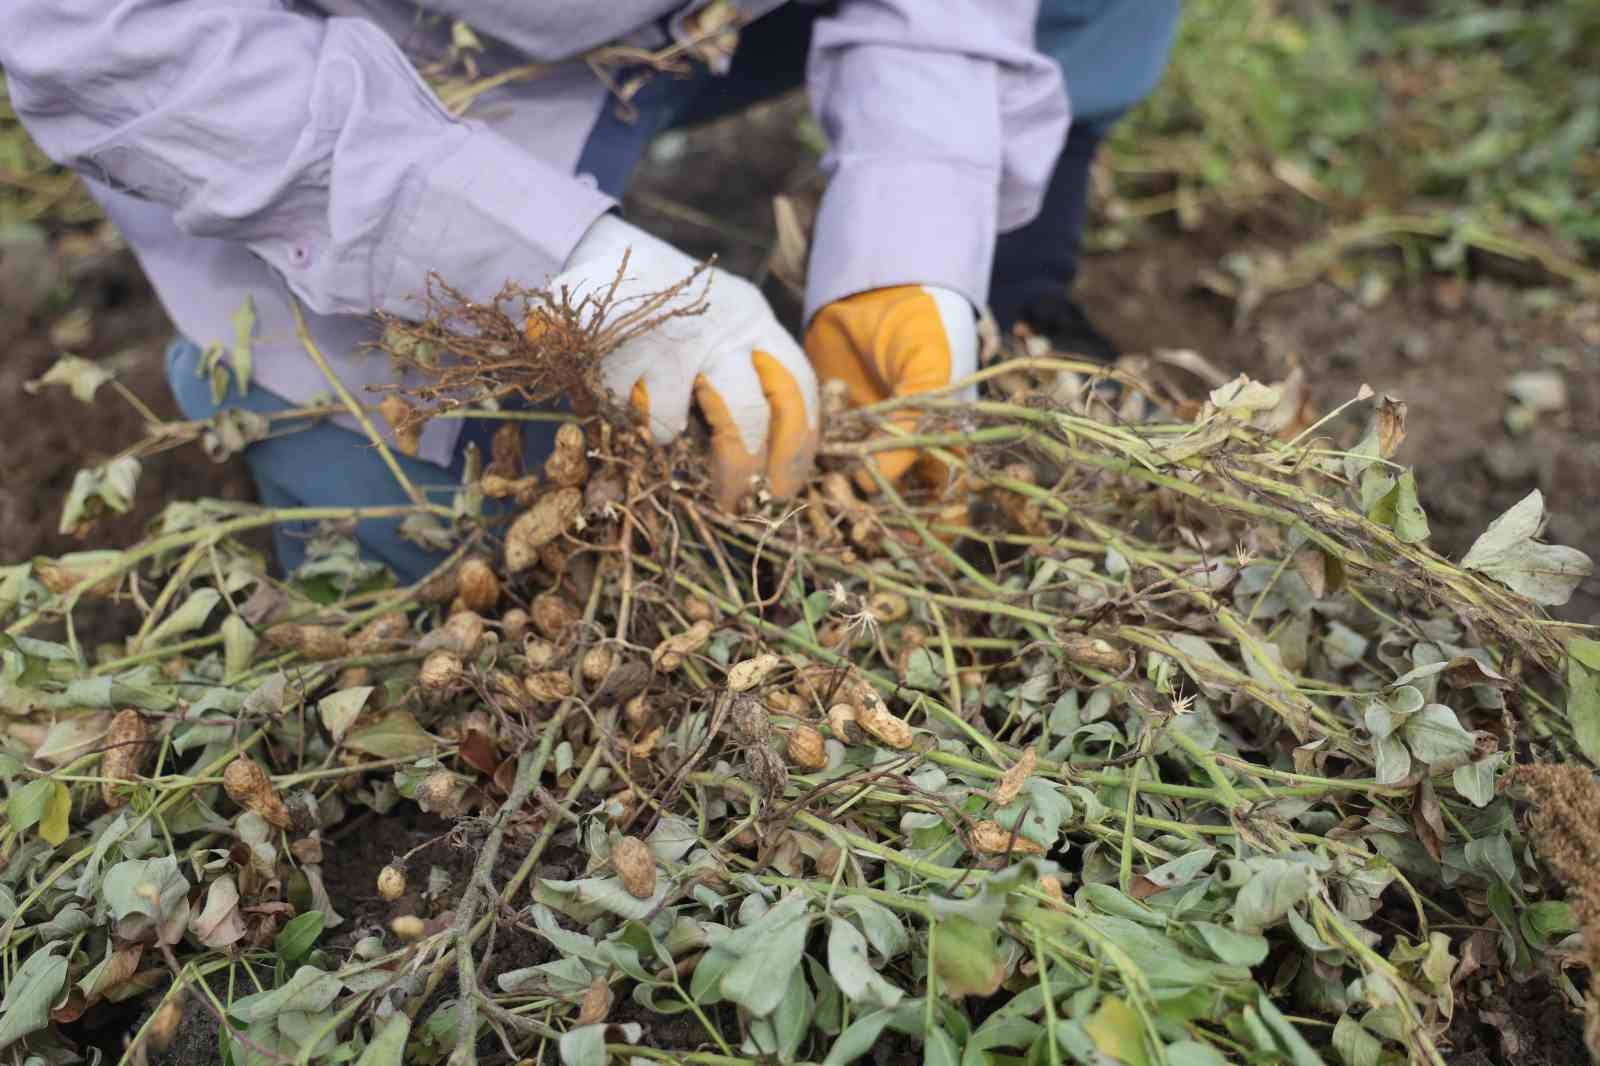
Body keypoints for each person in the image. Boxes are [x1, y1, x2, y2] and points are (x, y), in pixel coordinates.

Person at [2, 0, 1178, 583]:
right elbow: (100, 34)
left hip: (716, 22)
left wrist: (914, 221)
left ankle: (1021, 291)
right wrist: (543, 267)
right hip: (370, 65)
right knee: (441, 558)